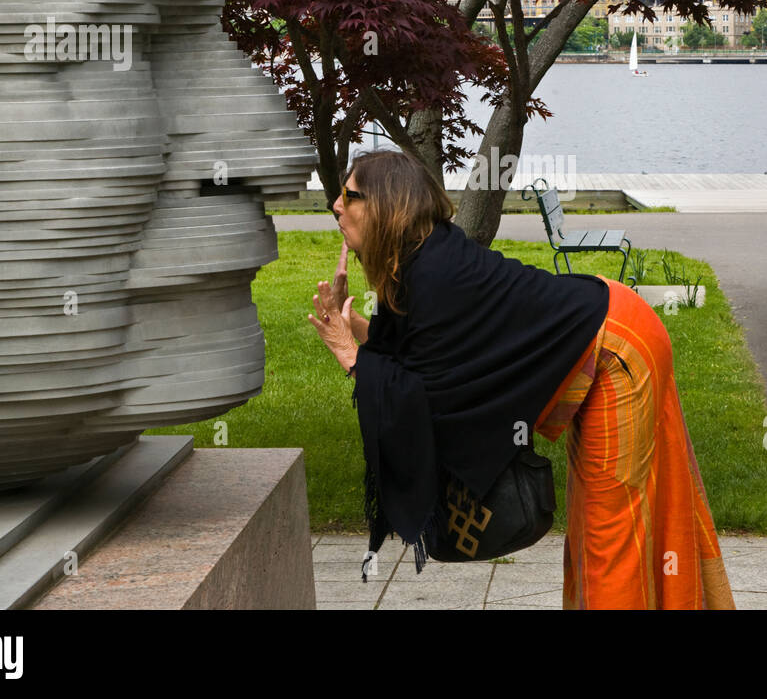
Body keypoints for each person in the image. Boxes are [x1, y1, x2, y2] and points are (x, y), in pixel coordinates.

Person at [307, 149, 734, 609]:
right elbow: (415, 366)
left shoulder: (433, 274)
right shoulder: (416, 264)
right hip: (602, 330)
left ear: (389, 206)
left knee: (609, 532)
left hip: (617, 348)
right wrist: (354, 330)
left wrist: (348, 352)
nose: (335, 204)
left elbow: (420, 400)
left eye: (350, 195)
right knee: (593, 530)